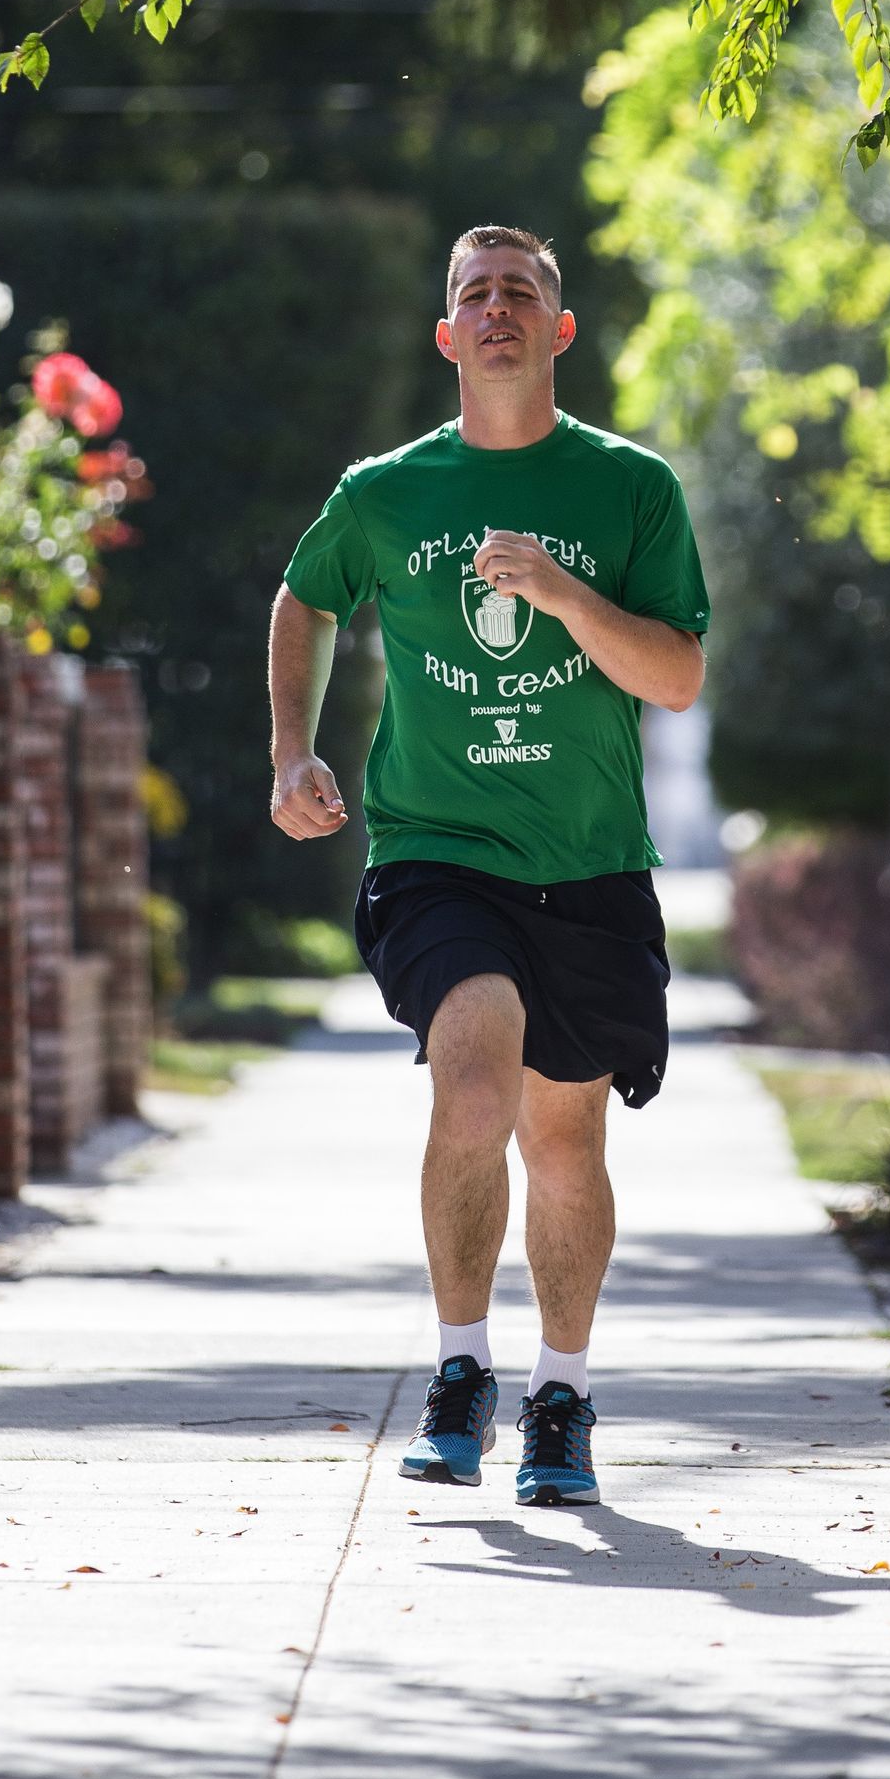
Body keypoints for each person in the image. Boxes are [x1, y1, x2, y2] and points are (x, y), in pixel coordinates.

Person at [269, 224, 709, 1507]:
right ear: (448, 336)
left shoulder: (630, 490)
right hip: (435, 855)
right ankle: (460, 1373)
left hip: (589, 867)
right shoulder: (385, 491)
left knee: (563, 1138)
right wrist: (292, 751)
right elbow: (307, 599)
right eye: (475, 294)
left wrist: (569, 598)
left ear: (559, 330)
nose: (499, 308)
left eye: (522, 291)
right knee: (476, 1066)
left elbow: (676, 677)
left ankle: (559, 1396)